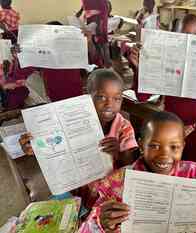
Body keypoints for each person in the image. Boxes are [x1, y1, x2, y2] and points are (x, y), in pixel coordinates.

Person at [78, 111, 196, 233]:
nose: (164, 155)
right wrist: (100, 223)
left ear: (183, 146)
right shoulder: (117, 182)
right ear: (140, 144)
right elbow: (87, 227)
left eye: (174, 147)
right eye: (154, 146)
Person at [19, 69, 138, 209]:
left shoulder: (123, 127)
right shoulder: (68, 122)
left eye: (116, 98)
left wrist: (119, 153)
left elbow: (131, 164)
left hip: (108, 196)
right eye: (101, 97)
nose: (109, 104)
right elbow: (53, 147)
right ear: (86, 95)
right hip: (75, 191)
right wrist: (36, 147)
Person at [129, 14, 196, 167]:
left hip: (194, 132)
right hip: (166, 132)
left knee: (191, 174)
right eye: (184, 36)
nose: (189, 42)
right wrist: (140, 69)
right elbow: (142, 96)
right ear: (174, 37)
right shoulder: (165, 60)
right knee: (165, 172)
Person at [77, 0, 111, 67]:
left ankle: (104, 66)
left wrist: (98, 30)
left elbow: (102, 15)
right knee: (96, 46)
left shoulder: (101, 6)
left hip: (99, 26)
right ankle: (99, 65)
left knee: (102, 45)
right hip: (93, 25)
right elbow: (85, 12)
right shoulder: (87, 7)